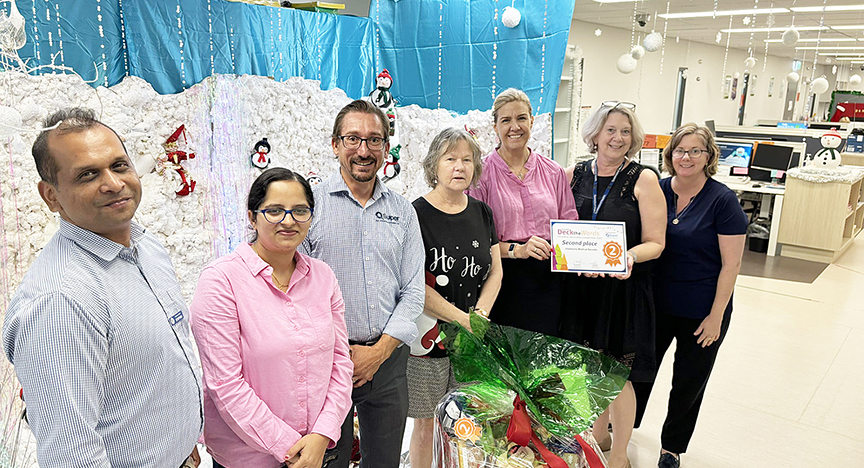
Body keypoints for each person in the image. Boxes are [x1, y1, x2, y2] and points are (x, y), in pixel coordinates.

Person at [2, 108, 202, 468]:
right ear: (51, 195)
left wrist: (182, 439)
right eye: (88, 175)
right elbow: (71, 454)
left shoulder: (146, 248)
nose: (113, 183)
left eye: (120, 165)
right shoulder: (60, 300)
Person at [190, 168, 353, 468]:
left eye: (300, 211)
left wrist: (321, 434)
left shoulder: (323, 277)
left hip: (319, 451)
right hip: (249, 457)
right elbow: (225, 384)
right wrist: (291, 448)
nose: (288, 221)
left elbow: (341, 362)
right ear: (252, 217)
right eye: (275, 211)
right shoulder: (221, 281)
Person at [300, 99, 425, 468]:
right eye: (353, 139)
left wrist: (380, 351)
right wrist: (343, 353)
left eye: (374, 140)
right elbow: (296, 291)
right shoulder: (310, 206)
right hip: (326, 361)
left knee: (384, 461)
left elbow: (413, 290)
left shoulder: (403, 211)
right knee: (329, 461)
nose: (364, 150)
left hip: (388, 362)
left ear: (386, 148)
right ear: (335, 144)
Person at [633, 123, 747, 468]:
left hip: (702, 310)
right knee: (638, 371)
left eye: (696, 151)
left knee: (688, 382)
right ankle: (624, 428)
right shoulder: (657, 189)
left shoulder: (722, 200)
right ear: (670, 155)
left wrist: (716, 317)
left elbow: (732, 265)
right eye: (681, 150)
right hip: (656, 304)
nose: (687, 157)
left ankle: (672, 448)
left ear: (709, 156)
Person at [560, 101, 666, 468]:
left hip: (621, 291)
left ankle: (619, 454)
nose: (618, 137)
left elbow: (656, 241)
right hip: (580, 290)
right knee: (585, 368)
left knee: (618, 374)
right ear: (595, 134)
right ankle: (597, 436)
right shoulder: (573, 173)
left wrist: (629, 257)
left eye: (625, 131)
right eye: (610, 130)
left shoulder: (643, 178)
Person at [407, 128, 503, 468]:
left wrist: (480, 314)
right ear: (435, 165)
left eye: (467, 159)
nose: (459, 166)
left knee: (468, 420)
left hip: (473, 335)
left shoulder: (482, 212)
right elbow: (414, 282)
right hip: (428, 338)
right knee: (426, 421)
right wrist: (461, 318)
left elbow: (496, 270)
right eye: (450, 159)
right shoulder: (414, 214)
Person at [467, 88, 578, 336]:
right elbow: (476, 240)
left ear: (531, 121)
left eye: (521, 118)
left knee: (545, 366)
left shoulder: (554, 172)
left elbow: (570, 227)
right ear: (495, 126)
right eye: (505, 120)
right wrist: (518, 250)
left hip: (549, 283)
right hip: (502, 280)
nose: (514, 126)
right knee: (505, 366)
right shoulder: (480, 175)